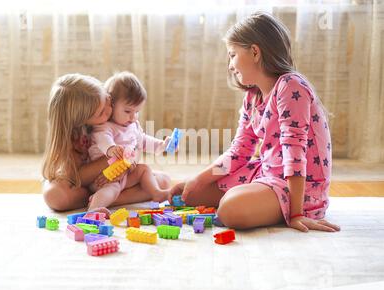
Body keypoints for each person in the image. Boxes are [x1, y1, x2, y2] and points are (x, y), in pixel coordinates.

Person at [169, 12, 340, 233]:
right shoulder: (252, 96)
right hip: (266, 174)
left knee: (230, 209)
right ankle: (254, 202)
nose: (230, 65)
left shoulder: (291, 85)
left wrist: (296, 214)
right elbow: (239, 151)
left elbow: (295, 152)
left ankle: (279, 208)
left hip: (300, 188)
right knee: (190, 194)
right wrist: (198, 180)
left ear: (255, 52)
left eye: (232, 55)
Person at [42, 73, 171, 212]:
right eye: (101, 112)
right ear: (82, 121)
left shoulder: (120, 120)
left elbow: (140, 142)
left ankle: (103, 200)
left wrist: (159, 146)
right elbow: (78, 179)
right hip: (85, 184)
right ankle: (100, 200)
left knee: (163, 180)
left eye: (108, 100)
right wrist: (114, 159)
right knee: (55, 196)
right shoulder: (76, 137)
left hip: (117, 179)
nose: (110, 110)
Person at [87, 71, 173, 210]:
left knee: (144, 169)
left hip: (125, 174)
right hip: (105, 177)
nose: (133, 117)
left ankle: (156, 193)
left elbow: (143, 140)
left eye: (137, 112)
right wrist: (111, 148)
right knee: (112, 189)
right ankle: (94, 208)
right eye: (127, 111)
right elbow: (103, 139)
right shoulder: (105, 126)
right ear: (111, 106)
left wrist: (162, 145)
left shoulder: (132, 126)